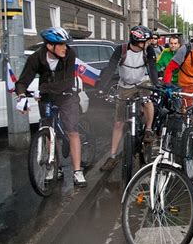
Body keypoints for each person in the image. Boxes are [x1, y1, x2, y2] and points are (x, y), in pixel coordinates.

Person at [15, 27, 87, 187]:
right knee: (49, 131)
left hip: (67, 95)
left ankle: (77, 171)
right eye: (61, 44)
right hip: (47, 98)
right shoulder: (36, 58)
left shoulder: (70, 55)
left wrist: (42, 89)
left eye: (66, 44)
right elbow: (22, 81)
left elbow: (67, 82)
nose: (65, 48)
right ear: (49, 46)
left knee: (72, 131)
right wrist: (20, 95)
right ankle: (54, 167)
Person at [98, 25, 159, 171]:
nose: (150, 43)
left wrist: (156, 85)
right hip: (124, 86)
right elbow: (111, 67)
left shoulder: (148, 50)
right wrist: (102, 87)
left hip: (142, 83)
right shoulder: (121, 50)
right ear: (139, 41)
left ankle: (148, 129)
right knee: (118, 122)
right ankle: (112, 156)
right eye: (147, 40)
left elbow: (152, 68)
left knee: (148, 101)